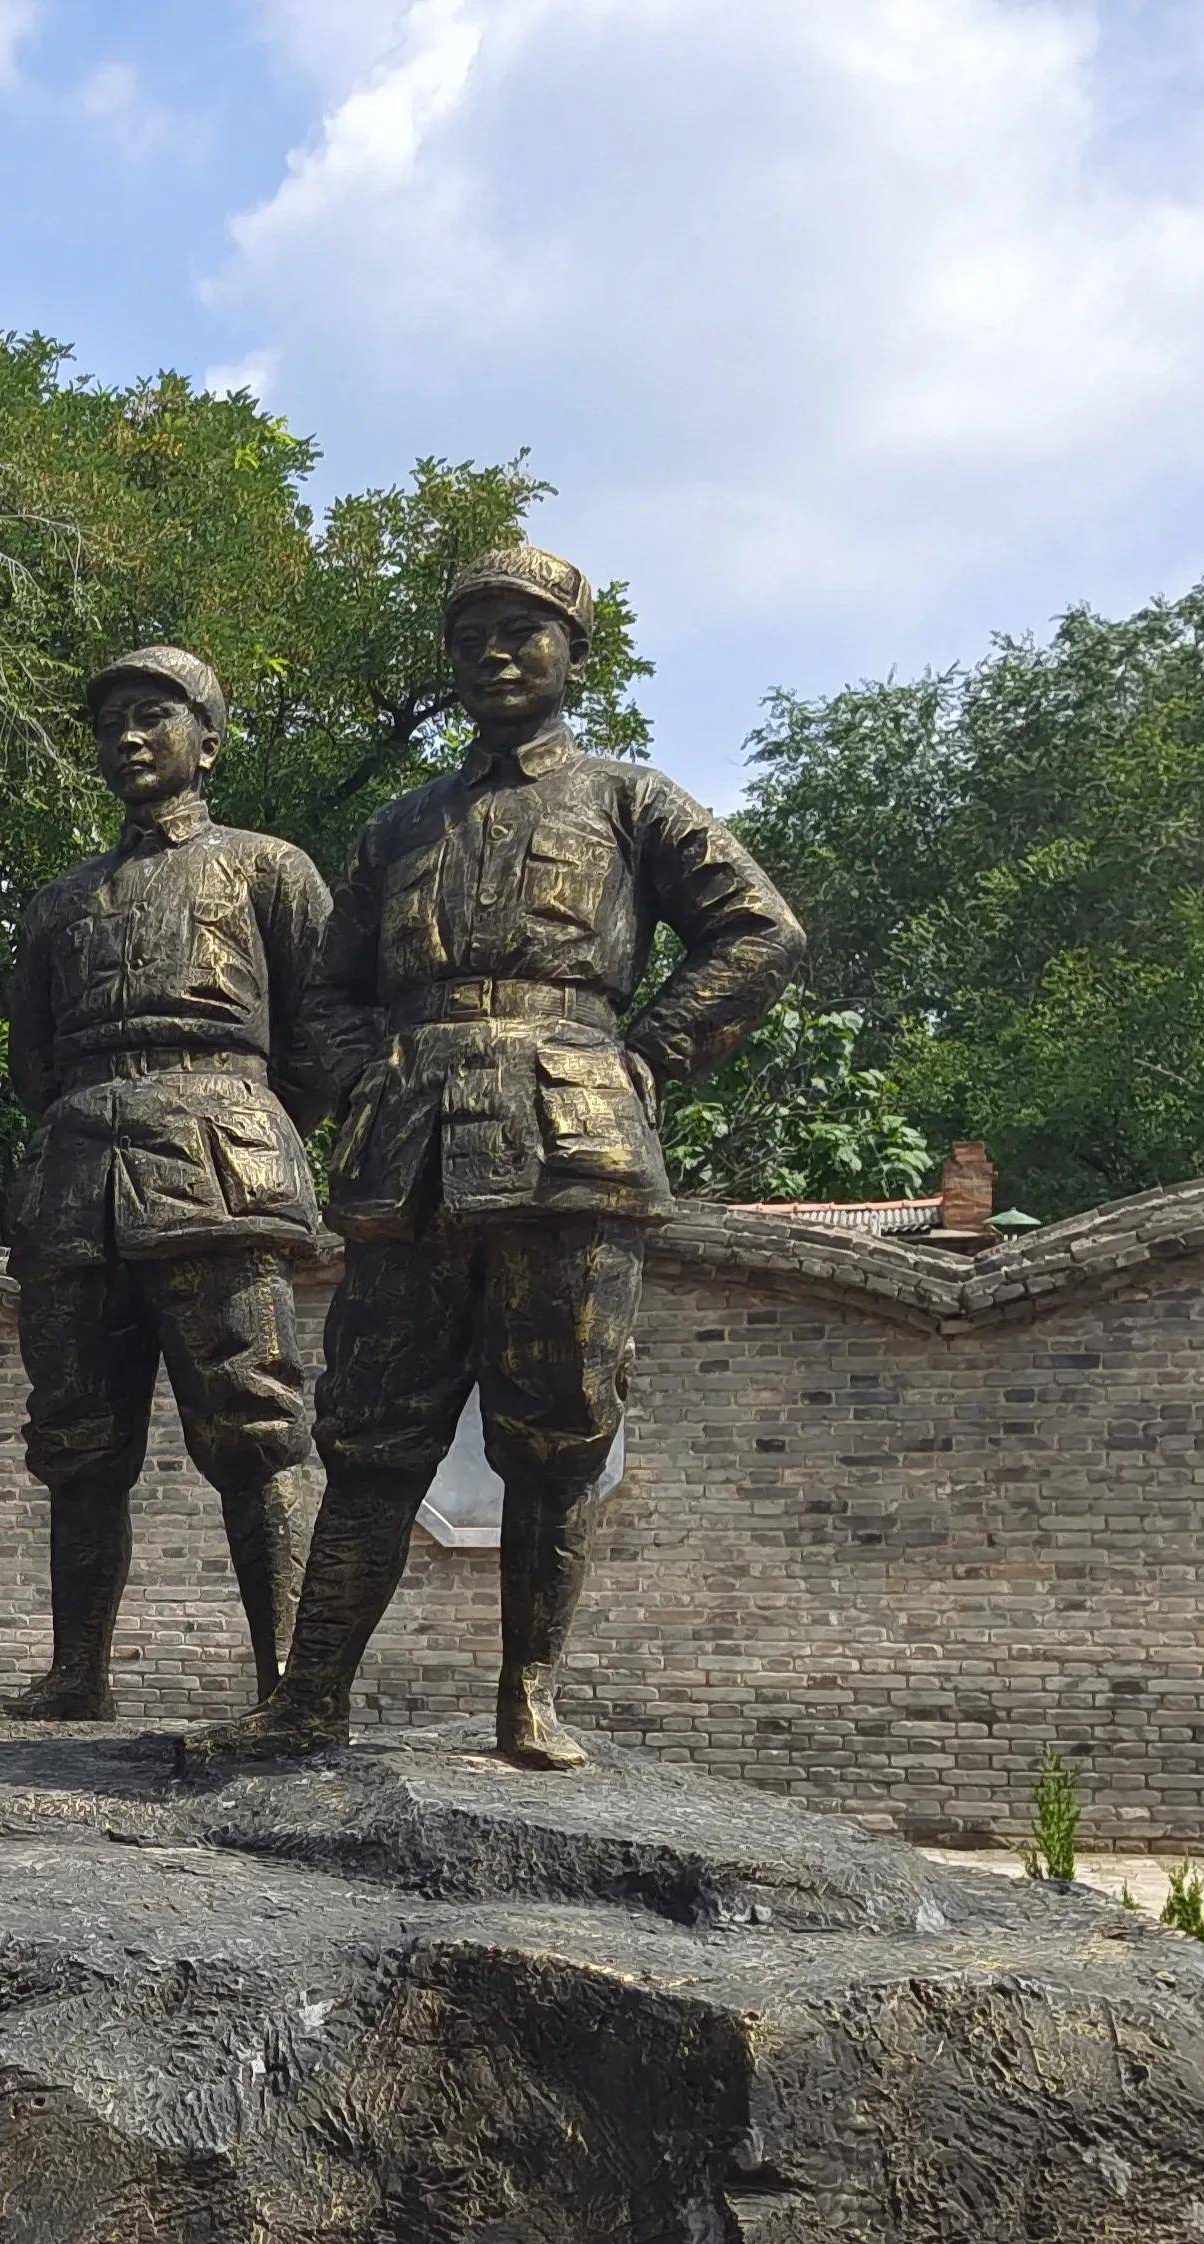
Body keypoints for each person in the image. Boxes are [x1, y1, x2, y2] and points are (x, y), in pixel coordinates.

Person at [191, 547, 802, 1769]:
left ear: (575, 653)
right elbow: (324, 991)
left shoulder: (631, 799)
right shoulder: (399, 822)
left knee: (556, 1429)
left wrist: (653, 1050)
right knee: (367, 1432)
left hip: (571, 1143)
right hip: (411, 1154)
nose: (498, 652)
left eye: (526, 630)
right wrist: (368, 1073)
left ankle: (528, 1696)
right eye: (473, 633)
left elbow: (759, 930)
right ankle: (309, 1694)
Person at [4, 644, 336, 1718]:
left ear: (210, 741)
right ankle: (75, 1675)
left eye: (156, 717)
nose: (131, 739)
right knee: (76, 1439)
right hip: (76, 1182)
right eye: (112, 726)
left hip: (218, 1169)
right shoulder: (57, 904)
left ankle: (289, 1676)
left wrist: (232, 1119)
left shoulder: (268, 869)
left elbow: (322, 1037)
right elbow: (29, 1060)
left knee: (257, 1424)